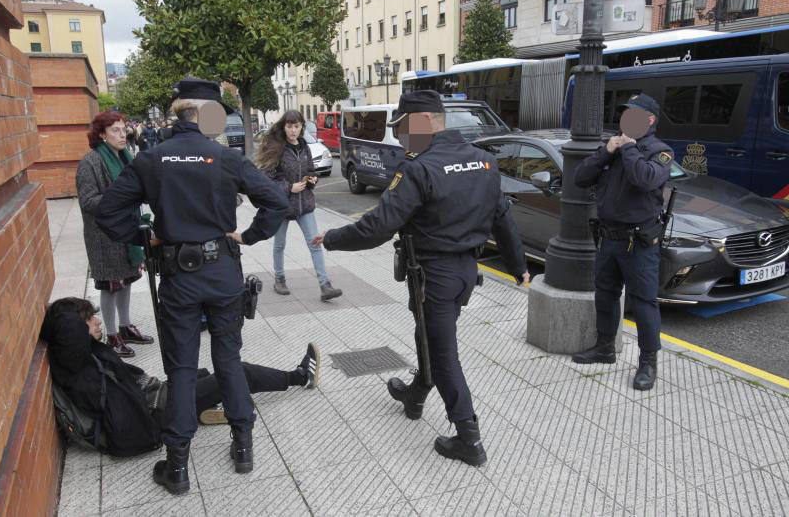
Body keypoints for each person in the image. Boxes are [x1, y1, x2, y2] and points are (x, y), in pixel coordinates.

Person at [312, 90, 528, 467]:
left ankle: (468, 438)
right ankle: (415, 394)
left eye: (404, 128)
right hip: (464, 275)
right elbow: (502, 218)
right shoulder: (484, 162)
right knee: (427, 336)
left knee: (443, 355)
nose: (400, 136)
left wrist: (331, 239)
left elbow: (378, 227)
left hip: (434, 277)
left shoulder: (419, 167)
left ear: (427, 121)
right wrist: (519, 266)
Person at [95, 77, 290, 495]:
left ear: (179, 112)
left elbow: (108, 213)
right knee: (229, 359)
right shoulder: (224, 157)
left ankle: (178, 466)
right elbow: (277, 201)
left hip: (179, 277)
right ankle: (243, 448)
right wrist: (250, 236)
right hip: (222, 273)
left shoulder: (152, 158)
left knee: (181, 369)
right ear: (207, 115)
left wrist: (146, 238)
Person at [40, 297, 320, 452]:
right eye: (89, 319)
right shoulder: (77, 365)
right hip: (159, 410)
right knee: (236, 373)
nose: (98, 321)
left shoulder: (79, 358)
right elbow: (68, 330)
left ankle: (208, 407)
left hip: (156, 398)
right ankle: (299, 376)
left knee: (202, 373)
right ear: (73, 330)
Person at [572, 93, 673, 391]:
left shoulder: (660, 151)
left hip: (639, 242)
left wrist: (628, 148)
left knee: (643, 303)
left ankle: (648, 362)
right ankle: (604, 348)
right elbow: (580, 177)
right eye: (624, 114)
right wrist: (606, 151)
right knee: (604, 295)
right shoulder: (613, 146)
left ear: (650, 120)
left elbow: (645, 179)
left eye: (634, 115)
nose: (625, 120)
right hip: (609, 238)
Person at [76, 110, 153, 358]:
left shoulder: (125, 157)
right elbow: (88, 201)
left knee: (127, 279)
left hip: (126, 230)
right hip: (104, 236)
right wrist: (120, 198)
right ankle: (111, 334)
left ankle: (125, 326)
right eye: (115, 131)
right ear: (101, 134)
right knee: (110, 286)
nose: (123, 135)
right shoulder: (90, 162)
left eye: (124, 129)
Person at [256, 110, 343, 301]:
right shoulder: (276, 147)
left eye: (296, 126)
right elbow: (265, 179)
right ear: (284, 127)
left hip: (305, 204)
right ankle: (279, 279)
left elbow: (311, 170)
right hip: (282, 205)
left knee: (315, 244)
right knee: (280, 244)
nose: (293, 131)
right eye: (289, 126)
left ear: (302, 126)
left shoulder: (305, 147)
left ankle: (325, 285)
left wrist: (312, 179)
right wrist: (288, 187)